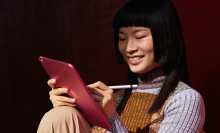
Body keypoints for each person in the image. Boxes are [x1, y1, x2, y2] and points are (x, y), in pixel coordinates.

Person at [37, 0, 205, 132]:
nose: (129, 48)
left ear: (166, 37)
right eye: (122, 38)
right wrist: (66, 105)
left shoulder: (186, 99)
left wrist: (111, 117)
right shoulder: (115, 99)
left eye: (139, 37)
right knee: (61, 116)